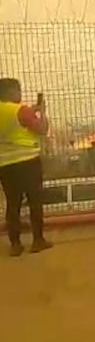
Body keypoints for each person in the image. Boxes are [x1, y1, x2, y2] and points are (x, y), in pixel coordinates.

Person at [0, 79, 53, 256]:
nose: (20, 94)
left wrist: (33, 111)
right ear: (10, 92)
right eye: (18, 91)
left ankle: (15, 244)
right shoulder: (20, 110)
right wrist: (42, 113)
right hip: (28, 160)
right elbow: (42, 129)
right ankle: (38, 240)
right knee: (34, 201)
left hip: (5, 164)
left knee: (12, 204)